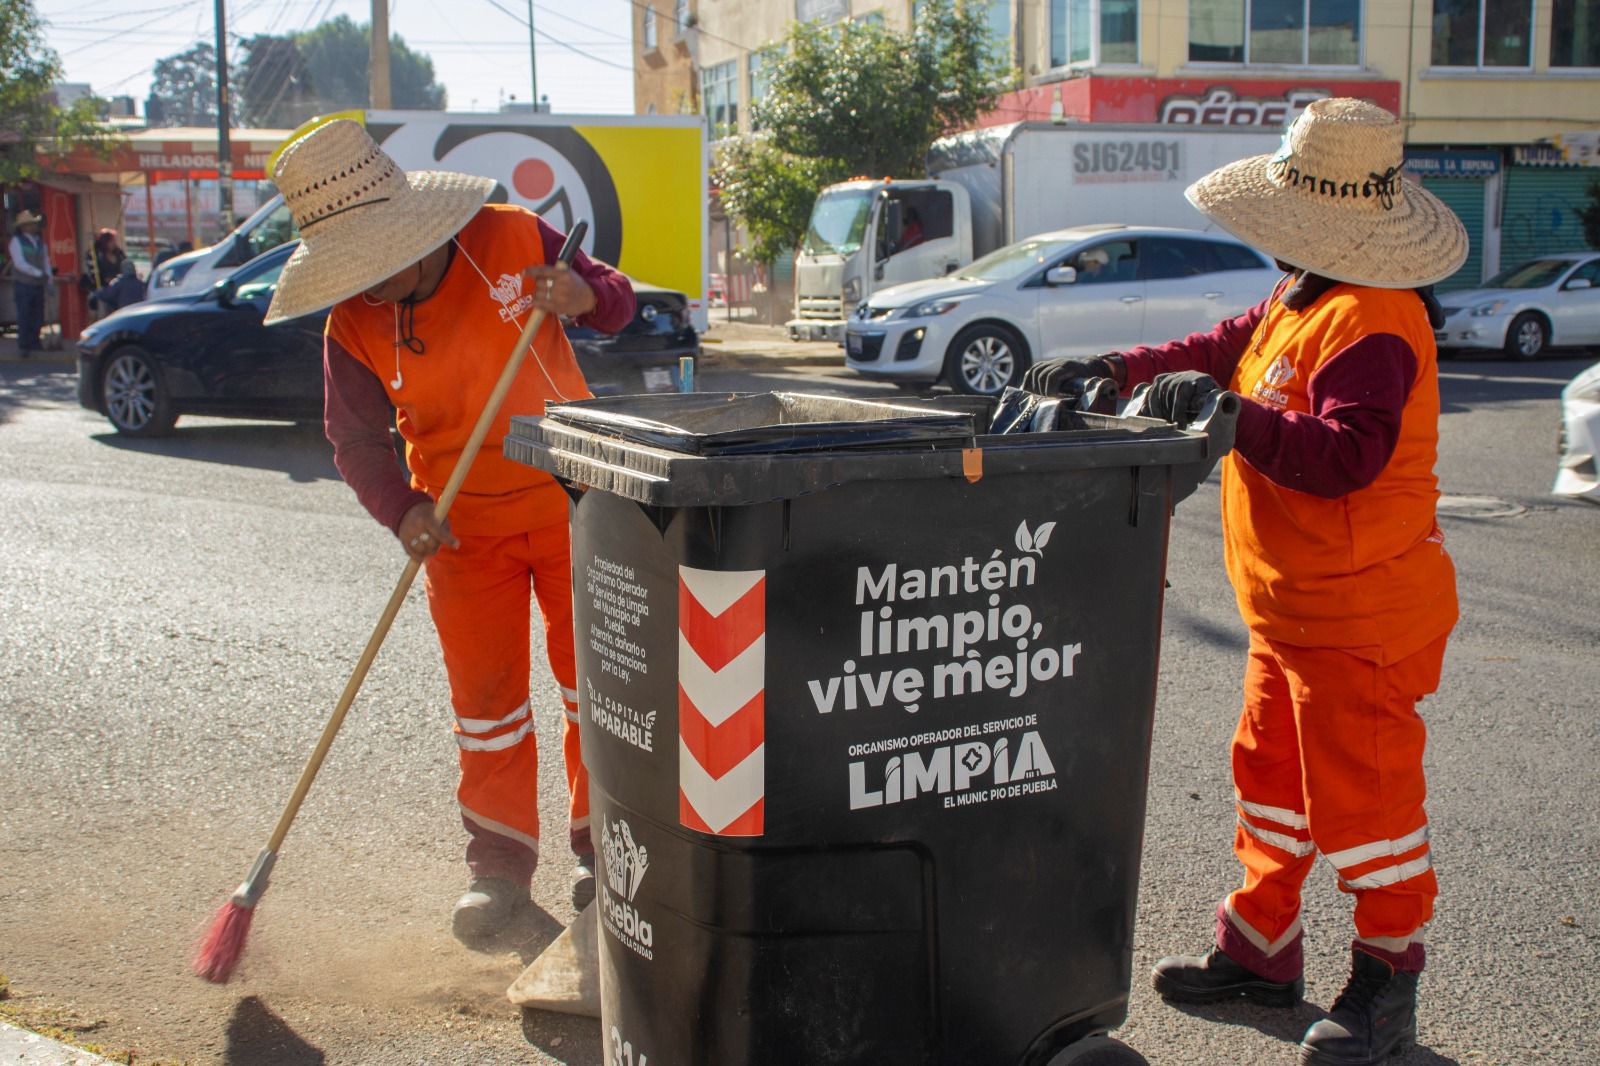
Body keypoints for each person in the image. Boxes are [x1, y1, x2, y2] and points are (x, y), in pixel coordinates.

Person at [1025, 99, 1465, 1066]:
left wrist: (1235, 418)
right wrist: (1115, 368)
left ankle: (1388, 987)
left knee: (1368, 810)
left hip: (1362, 619)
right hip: (1293, 611)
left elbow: (1348, 455)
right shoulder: (1303, 295)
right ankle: (1260, 950)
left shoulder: (1375, 319)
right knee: (1271, 786)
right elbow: (1214, 351)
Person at [262, 119, 634, 945]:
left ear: (414, 231)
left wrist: (584, 298)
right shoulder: (352, 325)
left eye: (375, 263)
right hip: (461, 530)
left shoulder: (510, 236)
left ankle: (603, 852)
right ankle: (498, 869)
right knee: (487, 706)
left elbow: (618, 300)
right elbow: (355, 441)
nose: (367, 286)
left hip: (575, 505)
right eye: (350, 271)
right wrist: (402, 510)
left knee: (596, 687)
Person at [8, 210, 53, 356]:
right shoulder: (16, 242)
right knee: (25, 314)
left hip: (38, 285)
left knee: (38, 314)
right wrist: (38, 273)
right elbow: (19, 263)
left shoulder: (40, 243)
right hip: (23, 284)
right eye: (31, 224)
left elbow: (46, 262)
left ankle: (35, 341)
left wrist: (49, 279)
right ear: (23, 227)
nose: (34, 227)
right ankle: (24, 344)